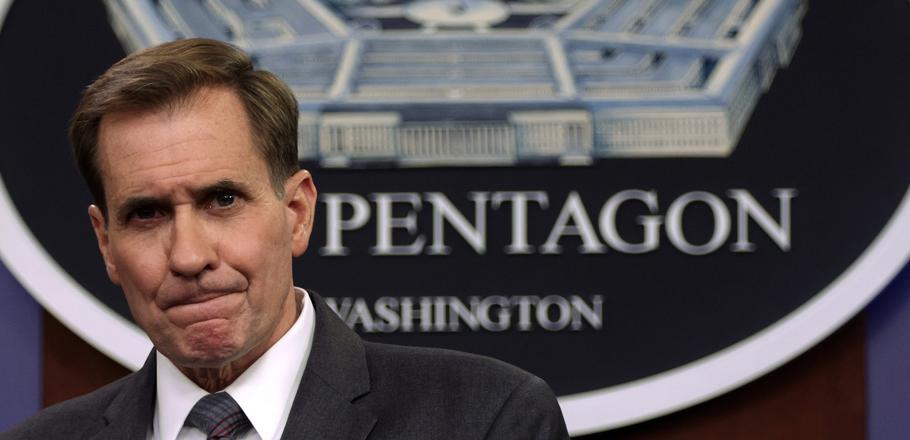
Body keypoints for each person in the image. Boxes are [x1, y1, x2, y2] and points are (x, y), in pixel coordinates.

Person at [1, 38, 569, 439]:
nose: (190, 256)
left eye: (222, 200)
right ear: (106, 244)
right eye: (147, 214)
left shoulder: (484, 418)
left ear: (296, 211)